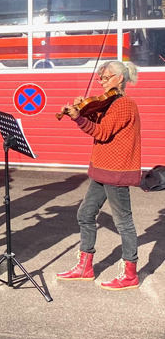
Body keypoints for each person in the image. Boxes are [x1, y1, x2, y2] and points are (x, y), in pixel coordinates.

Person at [56, 61, 142, 291]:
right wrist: (82, 113)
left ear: (120, 78)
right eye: (100, 78)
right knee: (85, 214)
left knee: (124, 223)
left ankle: (130, 273)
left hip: (117, 171)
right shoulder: (110, 104)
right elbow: (101, 125)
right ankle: (85, 267)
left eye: (106, 77)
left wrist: (78, 118)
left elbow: (102, 133)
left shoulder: (124, 104)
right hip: (102, 170)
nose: (102, 82)